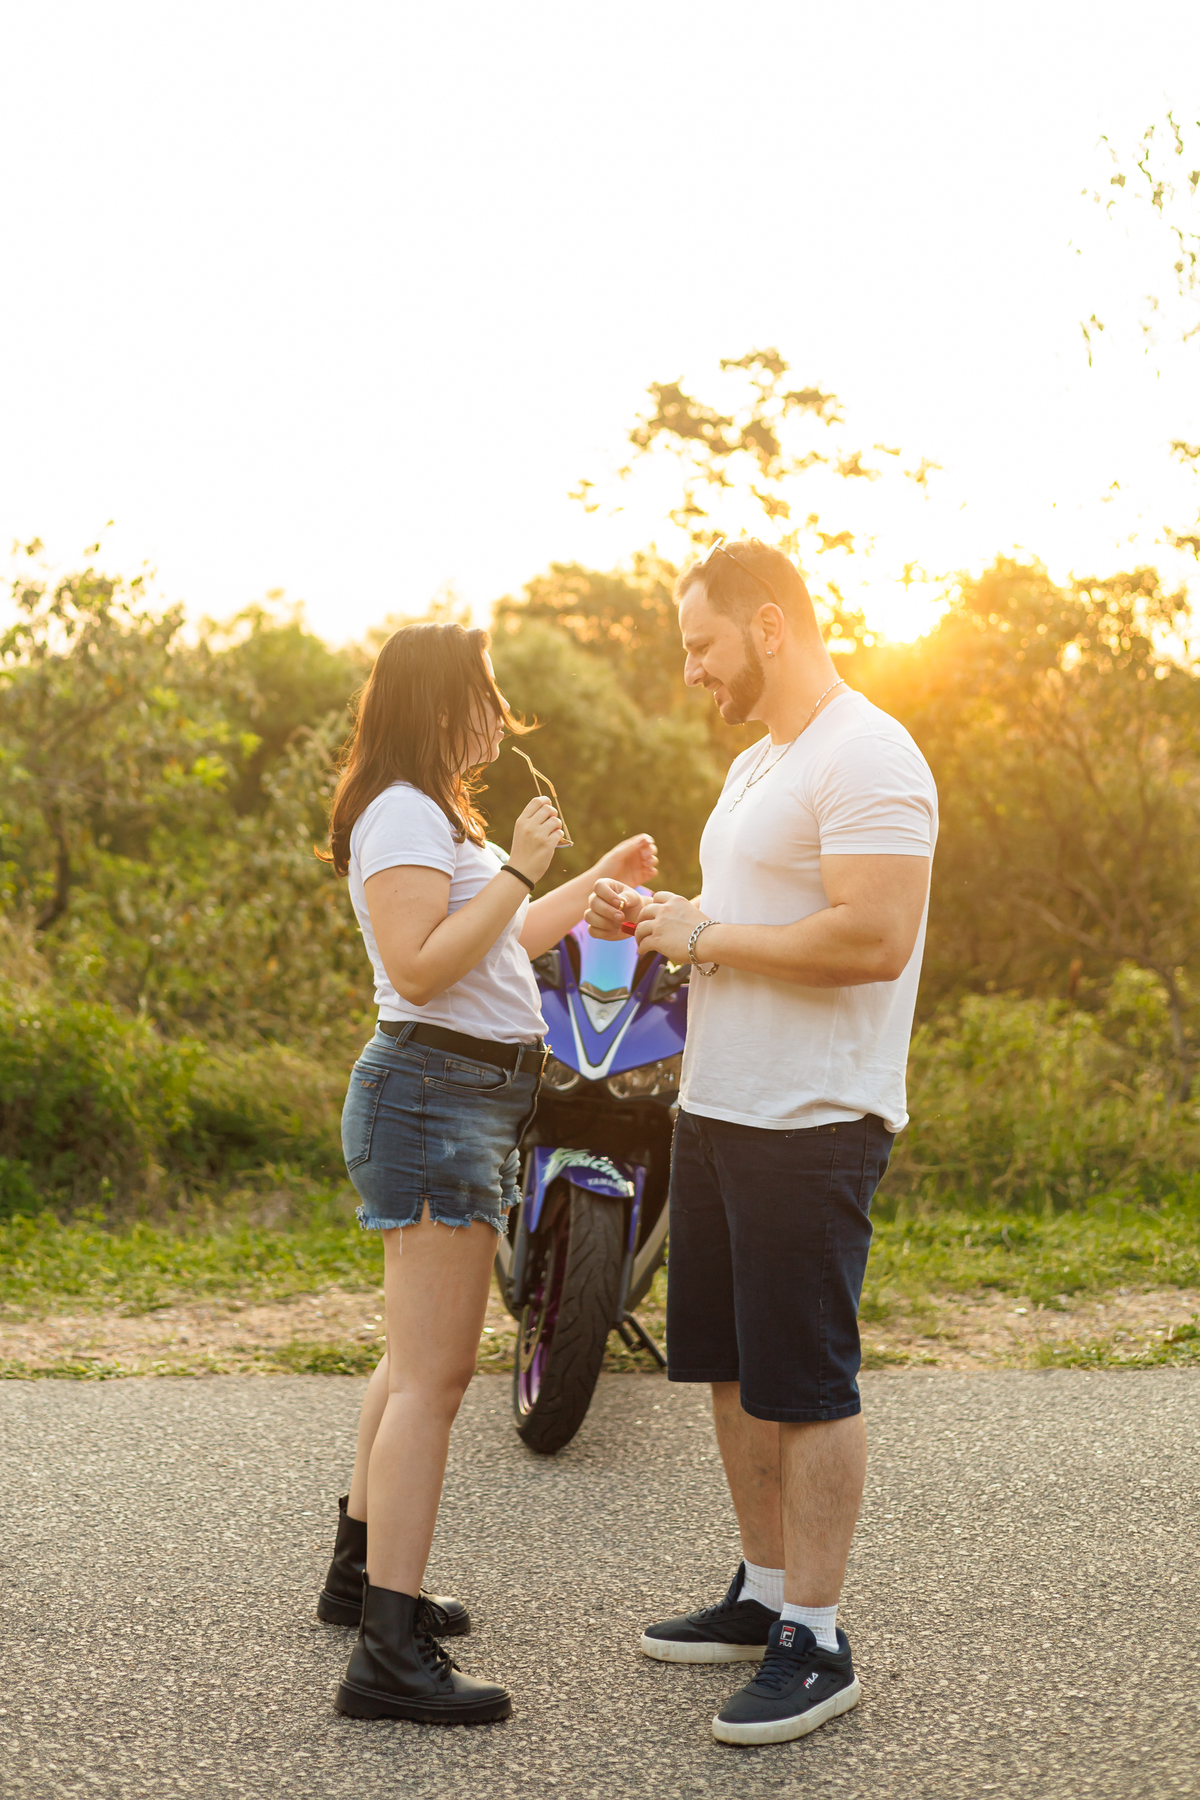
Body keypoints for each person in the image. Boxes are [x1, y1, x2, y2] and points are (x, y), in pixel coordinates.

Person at [586, 538, 937, 1748]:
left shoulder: (870, 752)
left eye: (702, 646)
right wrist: (659, 920)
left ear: (772, 627)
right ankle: (763, 1591)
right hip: (721, 1109)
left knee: (806, 1381)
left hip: (811, 1117)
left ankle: (820, 1638)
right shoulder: (755, 765)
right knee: (732, 1369)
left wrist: (710, 933)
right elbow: (733, 921)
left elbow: (873, 937)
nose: (691, 672)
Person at [317, 620, 657, 1725]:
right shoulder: (406, 812)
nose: (498, 714)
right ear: (440, 700)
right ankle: (389, 1654)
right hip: (434, 1098)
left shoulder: (427, 811)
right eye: (485, 693)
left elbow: (495, 943)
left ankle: (361, 1579)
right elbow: (421, 965)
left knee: (407, 1363)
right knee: (436, 1381)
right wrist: (520, 864)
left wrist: (585, 887)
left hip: (448, 1097)